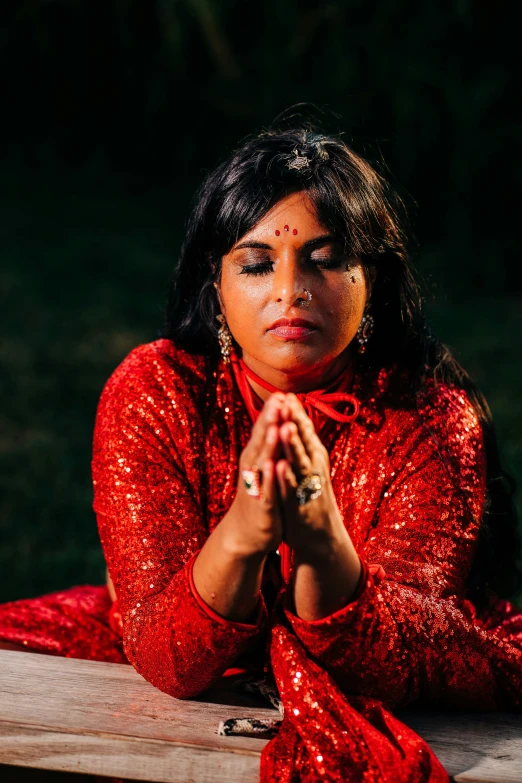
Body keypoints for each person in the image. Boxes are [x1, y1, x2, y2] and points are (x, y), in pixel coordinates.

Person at [0, 123, 521, 783]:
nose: (290, 287)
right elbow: (168, 660)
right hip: (164, 666)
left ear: (373, 281)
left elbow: (389, 665)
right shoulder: (154, 391)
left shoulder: (431, 418)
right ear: (215, 286)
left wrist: (320, 539)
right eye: (255, 262)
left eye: (326, 258)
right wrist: (245, 532)